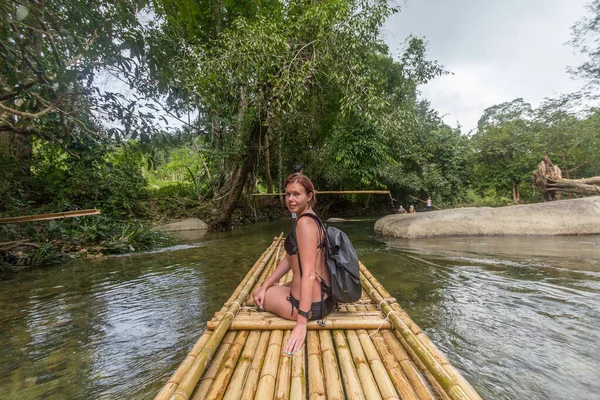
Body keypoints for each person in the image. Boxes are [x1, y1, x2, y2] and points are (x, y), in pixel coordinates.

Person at [253, 173, 334, 356]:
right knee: (266, 289)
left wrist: (301, 323)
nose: (290, 199)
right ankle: (274, 290)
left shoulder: (304, 224)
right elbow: (290, 259)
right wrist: (266, 285)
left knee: (255, 296)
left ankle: (300, 314)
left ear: (309, 196)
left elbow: (309, 274)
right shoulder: (312, 218)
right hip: (325, 299)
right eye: (288, 194)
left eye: (296, 194)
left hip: (308, 307)